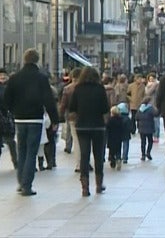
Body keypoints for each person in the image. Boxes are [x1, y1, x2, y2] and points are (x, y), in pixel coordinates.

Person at [4, 48, 59, 196]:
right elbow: (49, 100)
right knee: (31, 152)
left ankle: (21, 182)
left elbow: (6, 99)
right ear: (37, 60)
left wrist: (12, 111)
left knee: (21, 150)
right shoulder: (41, 78)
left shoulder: (15, 78)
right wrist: (55, 119)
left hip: (19, 118)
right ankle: (27, 184)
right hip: (35, 118)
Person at [69, 66, 109, 197]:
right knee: (98, 155)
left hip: (82, 126)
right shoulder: (100, 89)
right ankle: (99, 184)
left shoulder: (78, 89)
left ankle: (85, 187)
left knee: (84, 156)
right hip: (98, 126)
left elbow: (72, 108)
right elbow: (105, 108)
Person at [0, 68, 17, 169]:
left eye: (4, 76)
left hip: (7, 118)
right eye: (0, 76)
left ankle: (15, 161)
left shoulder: (11, 87)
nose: (2, 78)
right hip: (4, 117)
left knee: (10, 140)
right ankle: (16, 161)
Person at [136, 97, 157, 161]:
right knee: (150, 141)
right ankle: (148, 153)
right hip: (149, 127)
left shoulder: (140, 108)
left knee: (143, 142)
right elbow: (156, 114)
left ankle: (143, 155)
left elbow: (136, 117)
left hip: (141, 128)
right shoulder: (151, 108)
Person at [106, 106, 123, 170]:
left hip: (111, 138)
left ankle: (113, 162)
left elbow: (107, 127)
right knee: (118, 150)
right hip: (119, 137)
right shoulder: (120, 119)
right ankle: (118, 159)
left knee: (112, 151)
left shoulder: (110, 120)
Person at [145, 73, 160, 143]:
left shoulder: (158, 85)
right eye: (150, 79)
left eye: (152, 79)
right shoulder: (148, 86)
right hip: (149, 104)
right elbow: (147, 93)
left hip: (156, 104)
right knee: (150, 121)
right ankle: (151, 135)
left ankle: (156, 135)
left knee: (156, 121)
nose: (151, 81)